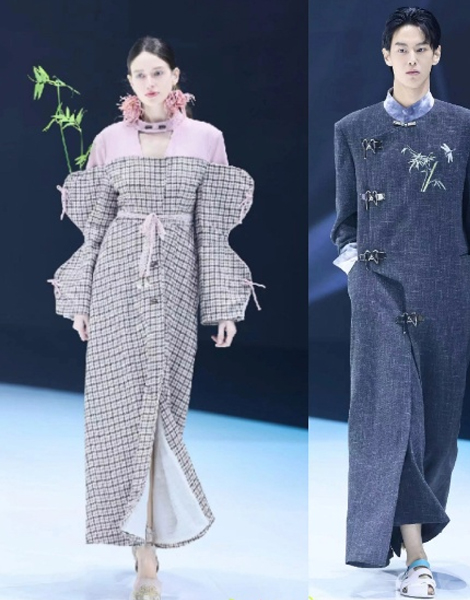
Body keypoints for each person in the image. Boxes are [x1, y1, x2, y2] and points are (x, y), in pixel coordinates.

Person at [49, 36, 260, 600]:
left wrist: (224, 306)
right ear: (129, 82)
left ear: (175, 76)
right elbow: (94, 229)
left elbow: (213, 228)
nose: (149, 83)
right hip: (117, 280)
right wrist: (81, 301)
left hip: (177, 280)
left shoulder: (207, 138)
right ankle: (143, 552)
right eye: (139, 74)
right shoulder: (107, 140)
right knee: (117, 410)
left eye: (157, 72)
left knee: (162, 406)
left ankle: (149, 533)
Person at [330, 7, 470, 598]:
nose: (410, 58)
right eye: (400, 48)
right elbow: (345, 222)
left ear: (436, 54)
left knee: (437, 422)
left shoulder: (467, 127)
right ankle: (417, 555)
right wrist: (356, 270)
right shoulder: (352, 129)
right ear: (385, 55)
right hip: (378, 288)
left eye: (420, 48)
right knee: (387, 416)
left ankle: (406, 534)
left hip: (446, 287)